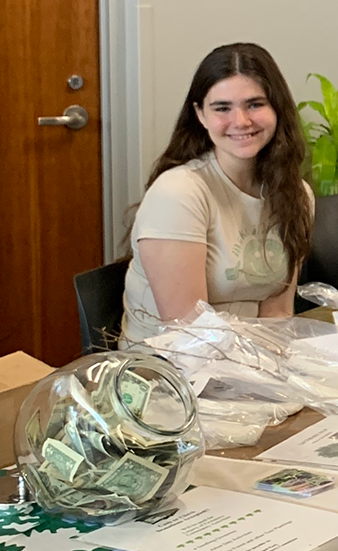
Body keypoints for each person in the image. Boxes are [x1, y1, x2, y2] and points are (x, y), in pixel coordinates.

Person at [122, 43, 313, 345]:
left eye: (255, 104)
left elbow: (277, 314)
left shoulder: (295, 194)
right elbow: (188, 332)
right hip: (168, 370)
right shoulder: (179, 192)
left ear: (278, 108)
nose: (241, 121)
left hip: (252, 363)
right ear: (200, 115)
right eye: (222, 108)